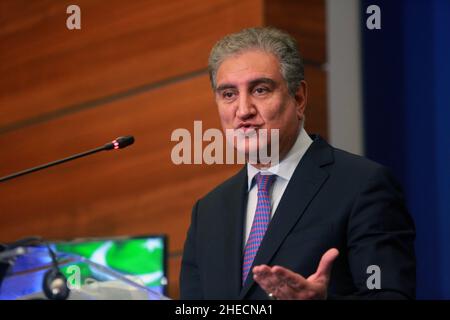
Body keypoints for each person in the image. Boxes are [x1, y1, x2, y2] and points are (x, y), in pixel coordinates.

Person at [180, 27, 415, 300]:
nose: (243, 110)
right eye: (229, 94)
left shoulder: (363, 185)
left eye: (260, 90)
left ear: (299, 98)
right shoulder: (207, 212)